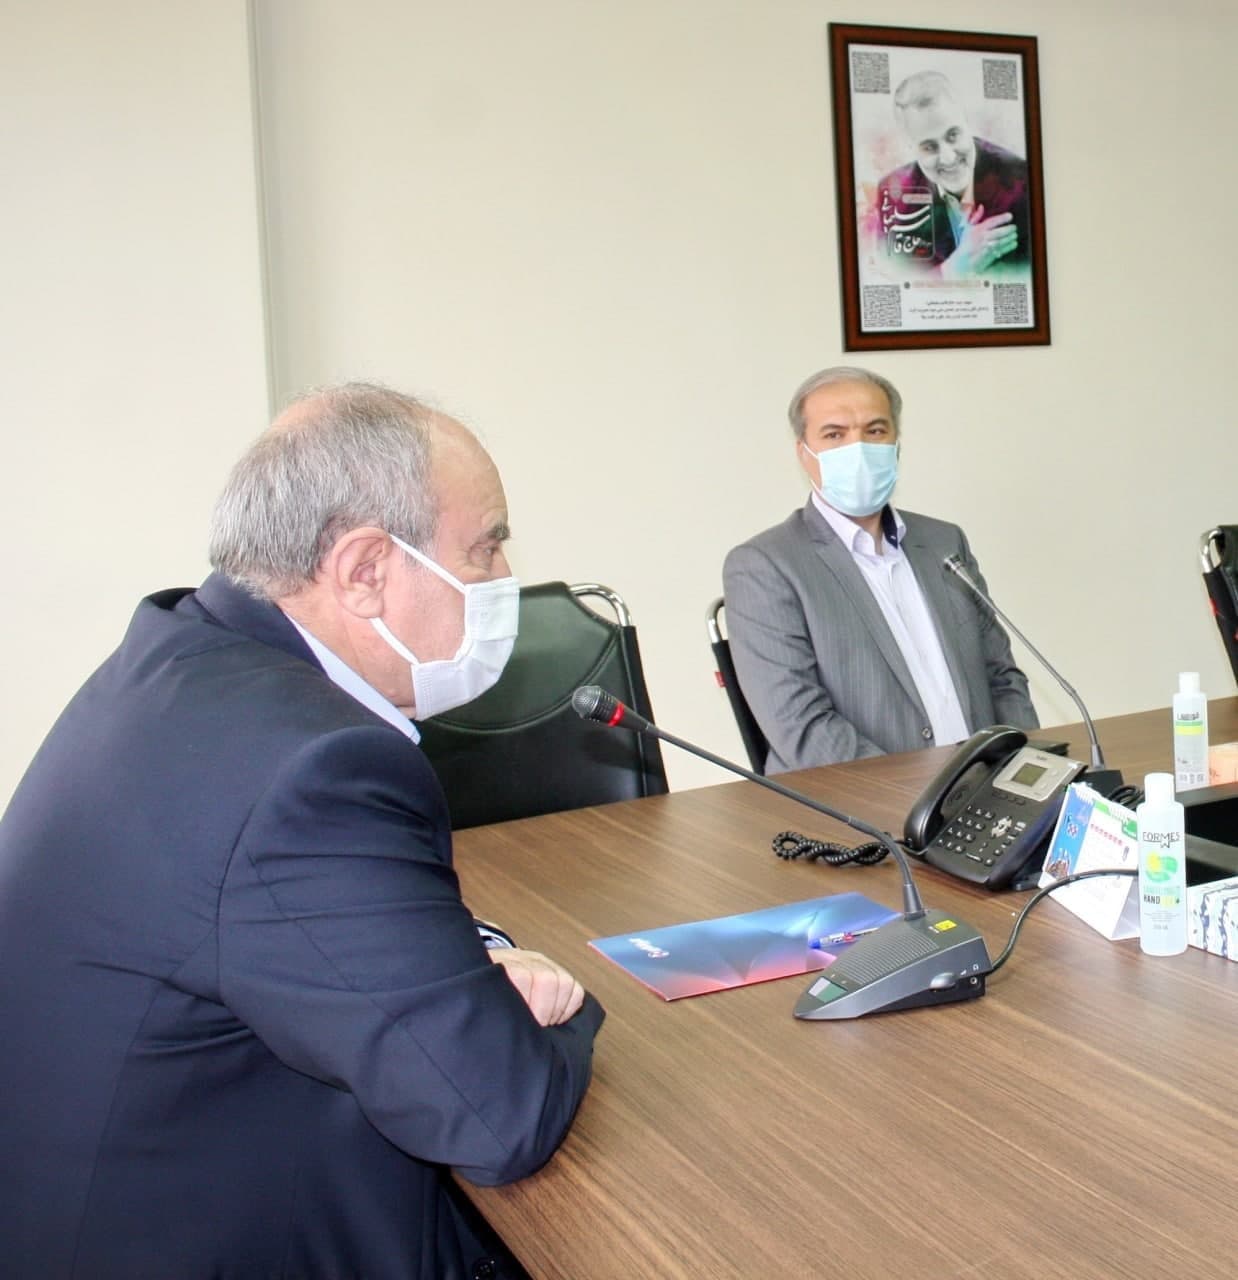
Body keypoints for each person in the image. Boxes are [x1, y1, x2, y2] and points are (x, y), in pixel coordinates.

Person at [0, 383, 604, 1279]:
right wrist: (567, 1005)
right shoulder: (314, 768)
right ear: (364, 571)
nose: (503, 575)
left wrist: (465, 969)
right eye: (485, 546)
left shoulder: (180, 656)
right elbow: (499, 1115)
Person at [722, 366, 1038, 774]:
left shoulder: (944, 542)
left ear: (896, 444)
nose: (858, 447)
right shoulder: (764, 566)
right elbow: (800, 727)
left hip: (981, 790)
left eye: (875, 430)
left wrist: (1021, 773)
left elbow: (1002, 677)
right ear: (804, 452)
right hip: (855, 802)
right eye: (834, 434)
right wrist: (918, 794)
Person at [875, 70, 1030, 278]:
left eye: (953, 135)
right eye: (929, 147)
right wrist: (952, 270)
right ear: (910, 147)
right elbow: (892, 284)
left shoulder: (1022, 181)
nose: (948, 158)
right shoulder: (894, 193)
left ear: (967, 123)